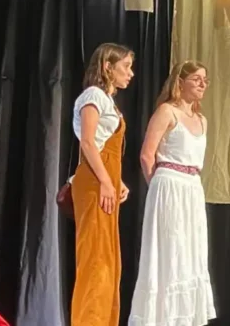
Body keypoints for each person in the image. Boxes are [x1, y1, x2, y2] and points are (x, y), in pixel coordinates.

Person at [129, 61, 216, 326]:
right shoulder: (167, 111)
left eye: (205, 80)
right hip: (169, 184)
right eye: (197, 79)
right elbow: (147, 155)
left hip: (192, 189)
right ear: (180, 82)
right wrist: (158, 188)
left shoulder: (202, 120)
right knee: (169, 251)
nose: (202, 84)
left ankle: (185, 319)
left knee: (190, 252)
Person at [71, 42, 134, 326]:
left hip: (104, 180)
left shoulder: (108, 101)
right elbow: (87, 142)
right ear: (108, 67)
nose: (130, 73)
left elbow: (103, 146)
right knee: (95, 261)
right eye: (125, 67)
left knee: (107, 260)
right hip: (95, 182)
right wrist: (107, 182)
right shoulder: (93, 95)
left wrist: (117, 181)